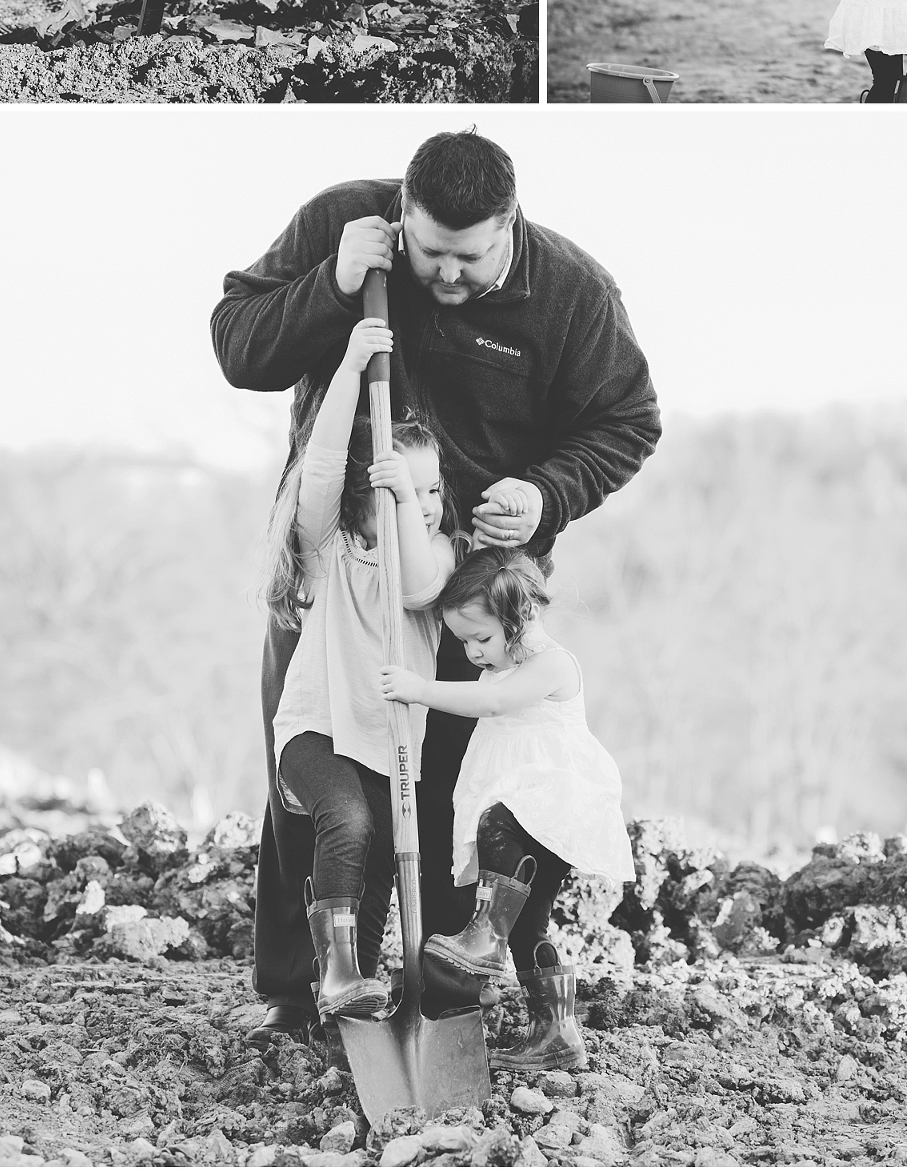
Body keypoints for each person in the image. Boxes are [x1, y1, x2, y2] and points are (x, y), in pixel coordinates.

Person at [211, 129, 660, 1048]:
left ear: (510, 226)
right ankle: (302, 997)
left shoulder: (573, 294)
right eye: (428, 253)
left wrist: (548, 492)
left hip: (472, 601)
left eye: (469, 257)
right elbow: (238, 346)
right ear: (402, 215)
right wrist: (331, 286)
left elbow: (629, 420)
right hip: (339, 574)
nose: (445, 276)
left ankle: (442, 998)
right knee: (322, 784)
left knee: (467, 794)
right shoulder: (344, 224)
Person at [264, 315, 457, 1021]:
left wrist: (408, 497)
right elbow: (319, 462)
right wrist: (349, 367)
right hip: (315, 732)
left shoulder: (436, 559)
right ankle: (337, 974)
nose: (430, 505)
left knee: (378, 870)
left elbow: (414, 586)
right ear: (365, 490)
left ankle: (356, 997)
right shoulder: (330, 549)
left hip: (389, 750)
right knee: (345, 817)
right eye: (413, 490)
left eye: (437, 490)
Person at [380, 547, 634, 1073]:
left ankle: (485, 939)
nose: (472, 653)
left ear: (522, 618)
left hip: (557, 802)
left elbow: (493, 705)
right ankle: (557, 1034)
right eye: (465, 641)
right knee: (530, 929)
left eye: (482, 638)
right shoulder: (503, 664)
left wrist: (419, 691)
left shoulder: (551, 664)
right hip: (534, 806)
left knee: (499, 819)